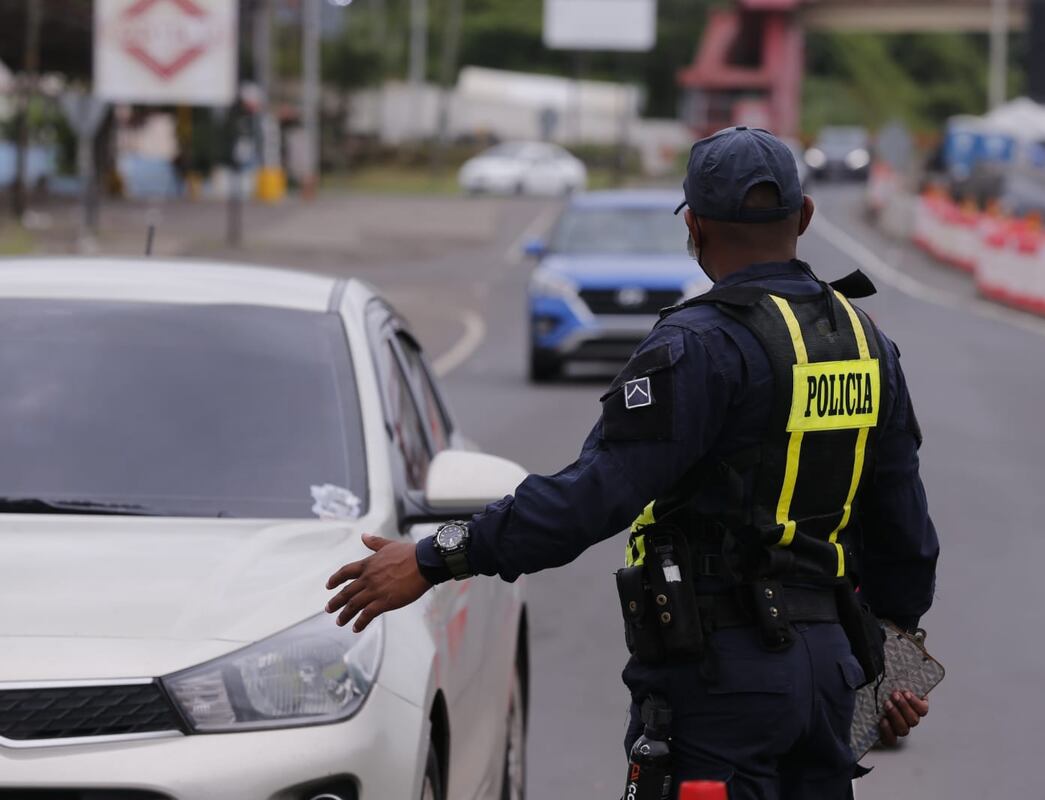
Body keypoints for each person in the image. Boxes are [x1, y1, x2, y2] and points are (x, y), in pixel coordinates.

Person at [326, 127, 939, 798]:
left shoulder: (699, 345)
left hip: (723, 681)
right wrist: (890, 660)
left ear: (694, 226)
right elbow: (906, 536)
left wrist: (434, 556)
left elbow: (595, 497)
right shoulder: (866, 342)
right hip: (831, 675)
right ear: (805, 218)